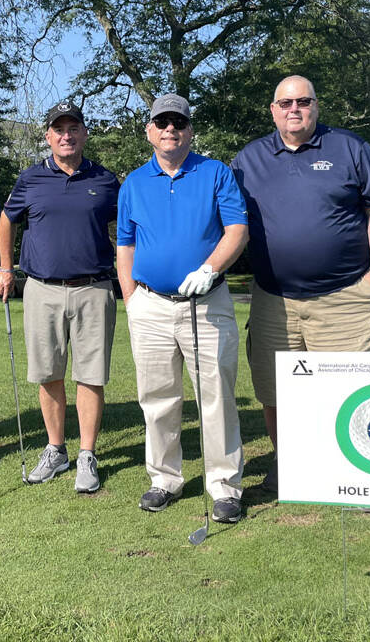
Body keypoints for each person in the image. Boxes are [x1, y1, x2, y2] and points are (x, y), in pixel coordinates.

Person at [230, 75, 370, 492]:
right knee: (273, 389)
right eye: (285, 103)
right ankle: (289, 463)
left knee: (359, 389)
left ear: (316, 106)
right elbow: (225, 219)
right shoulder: (248, 160)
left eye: (303, 101)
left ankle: (367, 475)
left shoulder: (349, 148)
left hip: (345, 297)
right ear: (273, 110)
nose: (294, 109)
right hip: (274, 299)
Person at [117, 93, 249, 522]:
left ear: (190, 130)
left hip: (207, 303)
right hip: (150, 305)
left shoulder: (215, 173)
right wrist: (132, 297)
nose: (170, 129)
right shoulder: (134, 182)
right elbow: (125, 244)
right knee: (156, 398)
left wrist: (210, 269)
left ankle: (224, 485)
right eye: (162, 122)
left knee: (215, 396)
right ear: (150, 131)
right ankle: (164, 479)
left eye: (179, 122)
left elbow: (237, 230)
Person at [0, 100, 120, 493]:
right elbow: (5, 220)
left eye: (73, 128)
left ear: (84, 133)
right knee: (49, 374)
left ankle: (86, 454)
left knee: (91, 375)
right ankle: (55, 450)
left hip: (95, 288)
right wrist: (4, 267)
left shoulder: (106, 179)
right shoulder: (30, 179)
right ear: (47, 136)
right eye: (58, 130)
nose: (66, 135)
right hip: (42, 290)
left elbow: (131, 227)